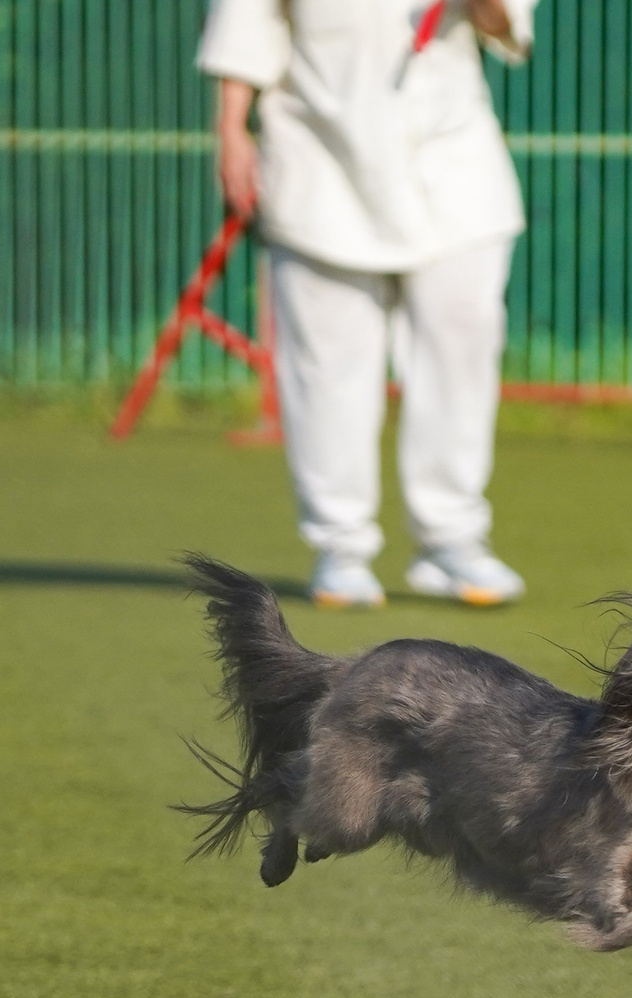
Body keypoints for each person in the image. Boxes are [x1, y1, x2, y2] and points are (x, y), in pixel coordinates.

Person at [200, 0, 537, 609]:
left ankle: (451, 540)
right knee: (328, 367)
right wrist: (231, 129)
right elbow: (244, 22)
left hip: (455, 169)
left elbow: (504, 24)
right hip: (318, 163)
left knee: (462, 349)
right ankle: (341, 546)